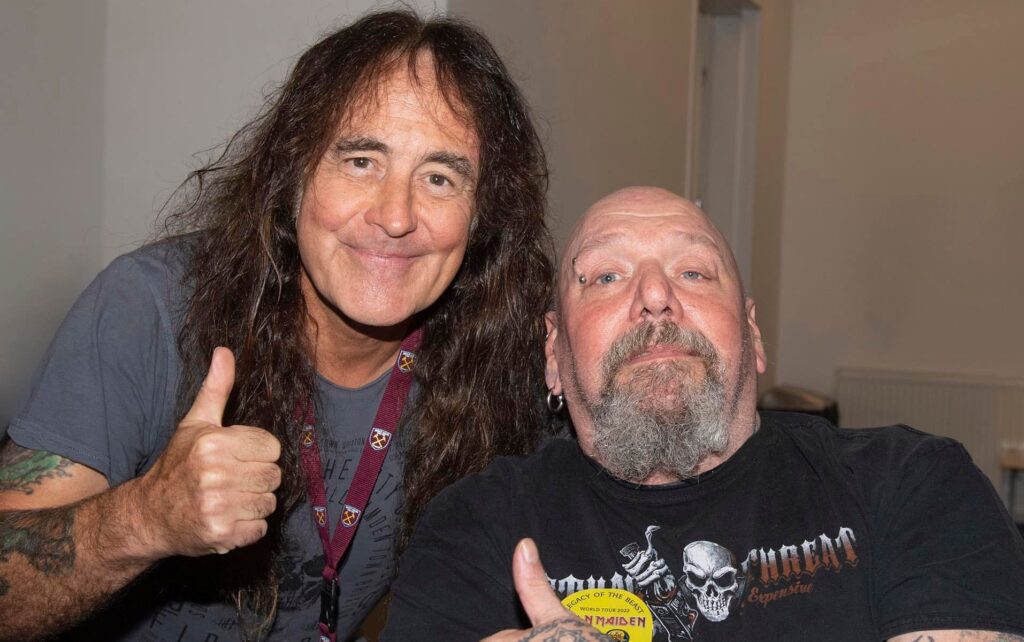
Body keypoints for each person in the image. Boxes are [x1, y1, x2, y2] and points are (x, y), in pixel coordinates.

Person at [0, 10, 555, 642]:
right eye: (361, 162)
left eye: (438, 178)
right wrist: (146, 518)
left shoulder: (490, 361)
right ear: (292, 175)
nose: (396, 216)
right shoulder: (149, 307)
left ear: (481, 219)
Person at [382, 187, 1024, 642]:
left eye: (694, 272)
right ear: (553, 354)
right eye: (605, 277)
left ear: (753, 333)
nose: (655, 295)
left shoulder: (913, 483)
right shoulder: (476, 528)